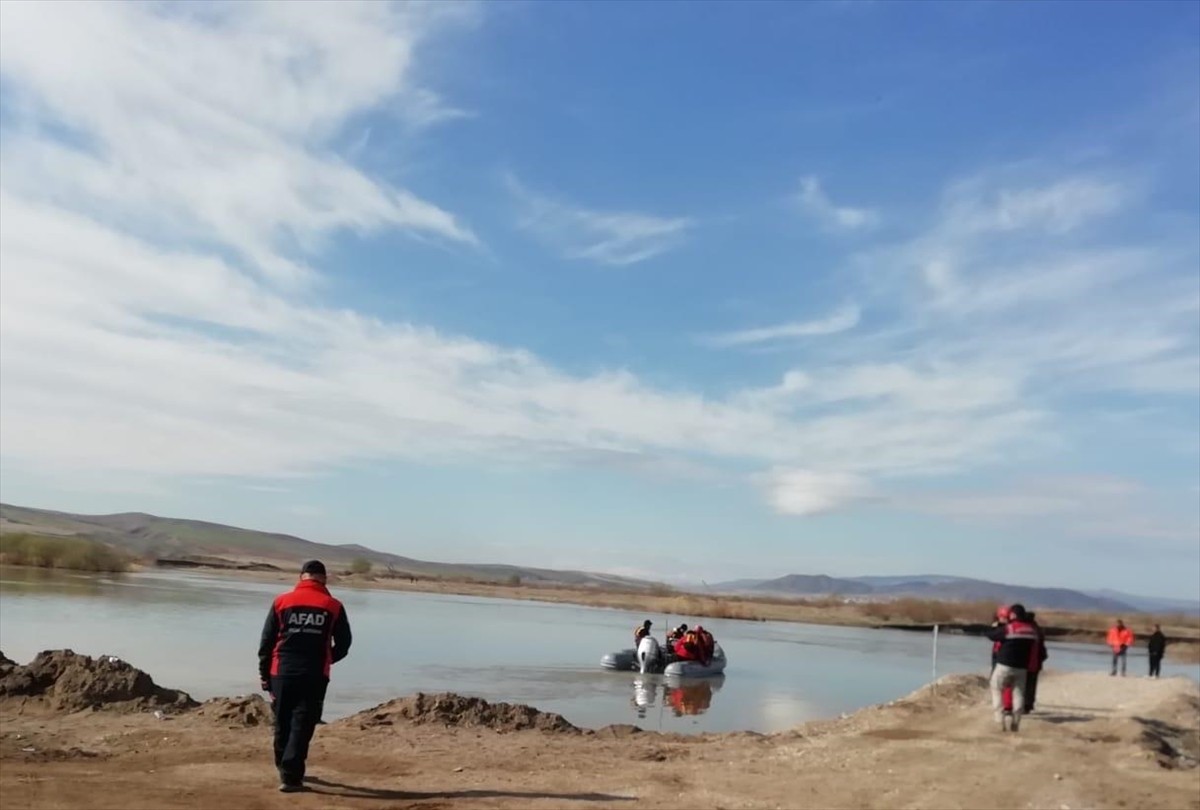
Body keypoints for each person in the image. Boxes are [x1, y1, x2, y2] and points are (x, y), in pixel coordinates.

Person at [258, 560, 352, 793]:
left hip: (281, 671)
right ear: (324, 579)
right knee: (303, 723)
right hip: (314, 673)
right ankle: (290, 776)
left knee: (283, 721)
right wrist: (328, 659)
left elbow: (267, 642)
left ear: (301, 577)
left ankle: (284, 769)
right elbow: (344, 643)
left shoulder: (281, 601)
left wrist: (264, 674)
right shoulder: (333, 605)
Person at [985, 603, 1039, 733]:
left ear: (1013, 615)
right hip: (1022, 668)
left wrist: (996, 626)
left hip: (1004, 665)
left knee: (996, 688)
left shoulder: (1010, 628)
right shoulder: (1032, 631)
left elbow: (992, 635)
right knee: (1019, 694)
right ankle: (1016, 721)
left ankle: (999, 720)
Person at [1022, 611, 1048, 713]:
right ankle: (1029, 704)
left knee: (1023, 683)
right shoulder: (1038, 630)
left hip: (1025, 661)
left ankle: (1024, 704)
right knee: (1031, 684)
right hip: (1036, 662)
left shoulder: (1026, 629)